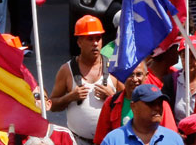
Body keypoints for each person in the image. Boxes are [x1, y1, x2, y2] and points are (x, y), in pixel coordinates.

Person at [51, 15, 120, 145]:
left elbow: (130, 103)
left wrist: (112, 97)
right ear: (79, 42)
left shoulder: (113, 67)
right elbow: (51, 105)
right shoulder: (66, 70)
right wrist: (69, 97)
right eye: (90, 39)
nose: (95, 43)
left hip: (109, 141)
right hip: (78, 141)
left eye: (98, 38)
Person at [94, 62, 175, 144]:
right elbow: (100, 139)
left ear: (146, 76)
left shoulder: (160, 103)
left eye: (139, 74)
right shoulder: (111, 102)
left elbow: (171, 138)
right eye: (130, 75)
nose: (135, 79)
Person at [99, 84, 182, 145]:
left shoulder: (174, 139)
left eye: (160, 103)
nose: (157, 108)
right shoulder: (113, 140)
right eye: (151, 103)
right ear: (133, 106)